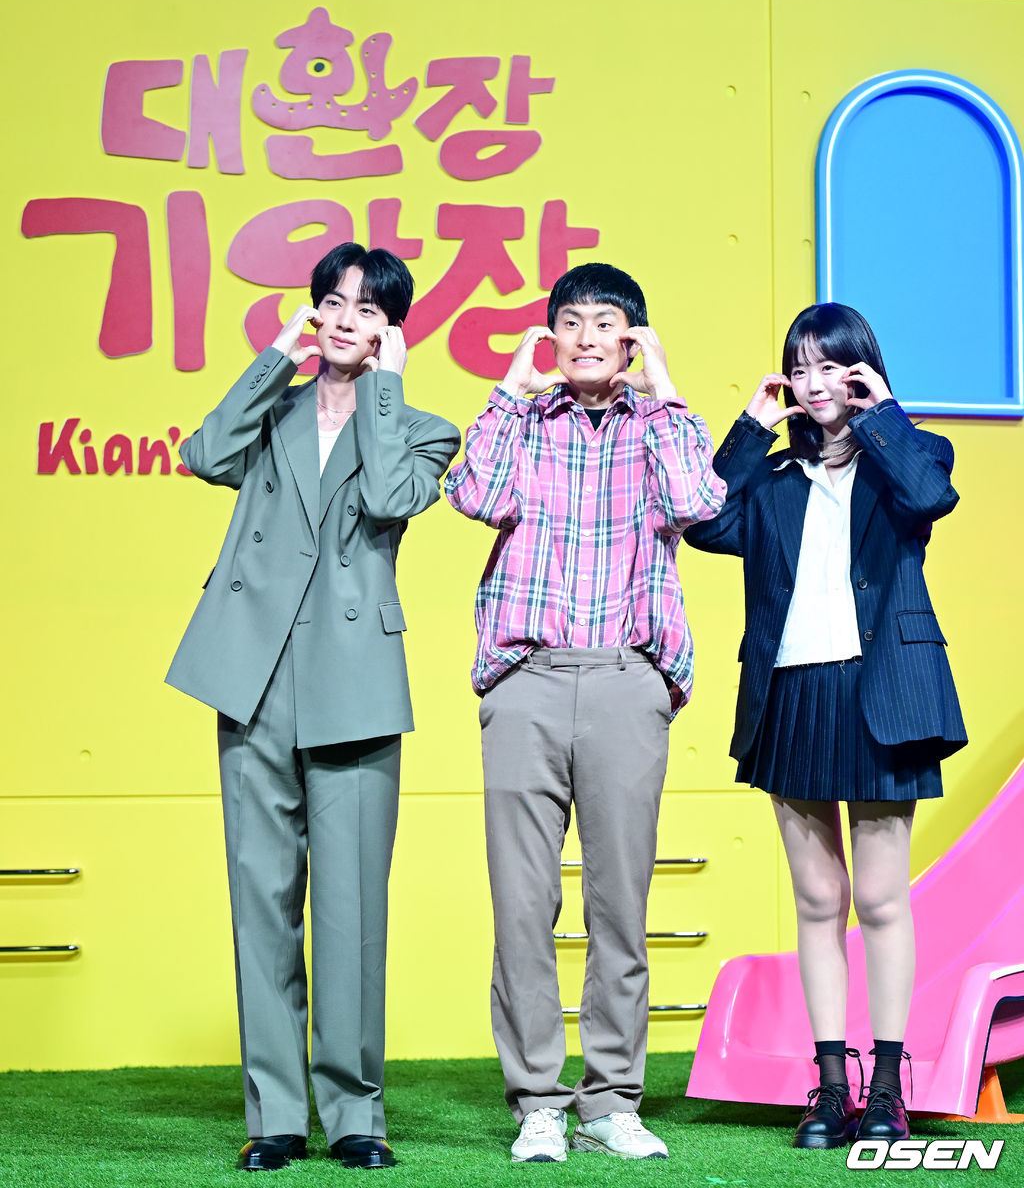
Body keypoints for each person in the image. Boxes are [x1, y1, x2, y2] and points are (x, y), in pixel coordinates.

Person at [166, 243, 460, 1171]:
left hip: (353, 683)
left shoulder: (423, 428)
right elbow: (204, 454)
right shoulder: (274, 409)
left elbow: (389, 496)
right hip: (251, 674)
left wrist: (384, 391)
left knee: (350, 911)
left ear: (391, 331)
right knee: (260, 902)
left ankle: (355, 1113)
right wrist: (273, 360)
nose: (344, 319)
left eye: (368, 309)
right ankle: (276, 1115)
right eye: (332, 302)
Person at [445, 263, 726, 1162]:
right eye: (571, 322)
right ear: (552, 336)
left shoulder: (663, 425)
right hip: (526, 677)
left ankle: (609, 1102)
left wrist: (665, 384)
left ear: (632, 339)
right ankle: (539, 1102)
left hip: (625, 677)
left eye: (607, 323)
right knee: (522, 905)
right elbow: (475, 497)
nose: (587, 337)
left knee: (620, 905)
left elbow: (696, 504)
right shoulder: (523, 421)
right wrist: (508, 389)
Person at [684, 303, 967, 1149]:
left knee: (879, 898)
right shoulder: (772, 479)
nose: (813, 383)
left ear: (860, 372)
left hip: (883, 693)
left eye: (830, 366)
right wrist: (749, 429)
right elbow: (702, 520)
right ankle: (831, 1087)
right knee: (818, 900)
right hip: (794, 695)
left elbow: (931, 495)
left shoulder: (909, 455)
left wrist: (882, 414)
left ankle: (887, 1089)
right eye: (799, 368)